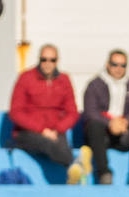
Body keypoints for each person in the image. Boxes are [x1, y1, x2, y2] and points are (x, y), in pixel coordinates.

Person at [8, 45, 87, 184]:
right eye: (44, 59)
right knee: (48, 143)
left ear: (57, 61)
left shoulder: (64, 80)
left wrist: (58, 129)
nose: (47, 63)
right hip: (28, 132)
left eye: (52, 60)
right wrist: (41, 130)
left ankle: (74, 171)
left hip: (55, 131)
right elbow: (16, 112)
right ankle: (75, 164)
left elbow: (72, 112)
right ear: (39, 60)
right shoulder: (25, 78)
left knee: (59, 143)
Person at [82, 49, 129, 185]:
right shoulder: (94, 85)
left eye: (123, 65)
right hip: (103, 133)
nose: (118, 68)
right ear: (108, 64)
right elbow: (90, 111)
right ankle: (104, 173)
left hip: (125, 131)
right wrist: (110, 123)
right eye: (115, 64)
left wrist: (125, 121)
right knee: (93, 126)